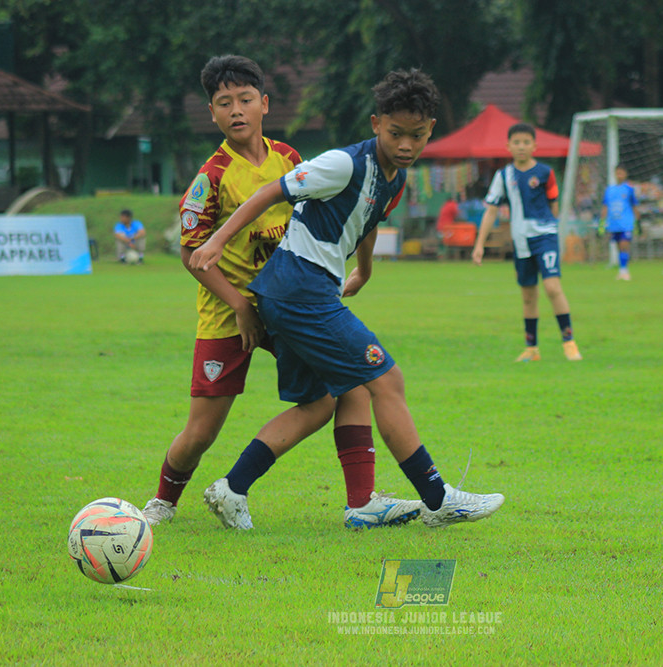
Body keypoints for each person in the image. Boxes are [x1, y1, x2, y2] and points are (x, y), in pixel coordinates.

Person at [190, 68, 504, 529]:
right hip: (299, 290)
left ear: (429, 132)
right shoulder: (343, 163)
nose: (405, 145)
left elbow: (368, 219)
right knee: (387, 379)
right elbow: (269, 192)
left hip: (295, 292)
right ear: (376, 124)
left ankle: (234, 489)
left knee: (327, 400)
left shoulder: (394, 177)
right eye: (395, 133)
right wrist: (217, 240)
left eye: (416, 136)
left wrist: (365, 270)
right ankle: (438, 500)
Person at [141, 55, 419, 530]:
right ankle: (163, 501)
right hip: (227, 315)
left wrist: (362, 268)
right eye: (224, 103)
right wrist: (239, 307)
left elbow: (354, 209)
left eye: (245, 100)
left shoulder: (289, 160)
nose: (236, 110)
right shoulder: (211, 177)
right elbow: (195, 256)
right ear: (212, 113)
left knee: (347, 386)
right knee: (202, 430)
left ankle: (362, 502)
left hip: (289, 302)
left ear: (264, 104)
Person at [470, 123, 582, 363]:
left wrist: (551, 227)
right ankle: (532, 349)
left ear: (534, 146)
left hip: (545, 237)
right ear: (508, 146)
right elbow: (491, 211)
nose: (521, 147)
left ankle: (569, 342)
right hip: (521, 242)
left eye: (526, 142)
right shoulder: (503, 176)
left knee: (553, 288)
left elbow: (554, 203)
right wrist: (480, 244)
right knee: (528, 295)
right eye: (517, 142)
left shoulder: (545, 172)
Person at [600, 165, 639, 281]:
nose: (619, 175)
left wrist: (638, 221)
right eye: (617, 173)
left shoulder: (629, 189)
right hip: (613, 224)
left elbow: (634, 206)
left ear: (625, 174)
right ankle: (622, 270)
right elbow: (605, 207)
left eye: (621, 173)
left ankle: (624, 271)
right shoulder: (609, 190)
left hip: (626, 223)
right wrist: (602, 222)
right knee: (618, 247)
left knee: (624, 245)